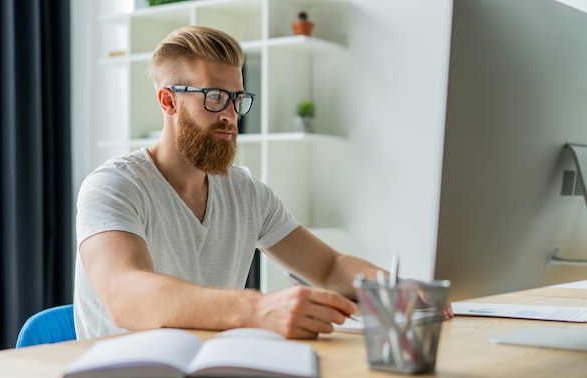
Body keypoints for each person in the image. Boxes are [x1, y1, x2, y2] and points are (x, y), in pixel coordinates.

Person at [73, 26, 446, 341]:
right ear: (168, 101)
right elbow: (124, 296)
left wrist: (395, 290)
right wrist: (259, 308)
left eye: (237, 99)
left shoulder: (246, 192)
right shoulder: (113, 186)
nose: (231, 116)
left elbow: (330, 268)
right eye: (215, 98)